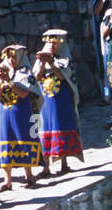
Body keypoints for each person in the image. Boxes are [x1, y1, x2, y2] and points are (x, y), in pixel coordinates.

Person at [0, 45, 42, 191]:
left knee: (23, 140)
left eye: (14, 57)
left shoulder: (25, 72)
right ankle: (7, 181)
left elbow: (23, 94)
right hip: (5, 112)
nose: (11, 60)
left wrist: (9, 80)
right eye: (9, 57)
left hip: (21, 112)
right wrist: (1, 81)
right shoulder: (2, 72)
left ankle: (29, 176)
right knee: (5, 142)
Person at [34, 30, 82, 176]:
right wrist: (43, 63)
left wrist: (52, 63)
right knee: (44, 128)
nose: (52, 46)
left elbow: (63, 76)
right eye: (49, 43)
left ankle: (64, 163)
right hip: (45, 99)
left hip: (61, 98)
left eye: (54, 43)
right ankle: (46, 166)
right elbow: (35, 77)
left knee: (61, 126)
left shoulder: (64, 58)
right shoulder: (40, 59)